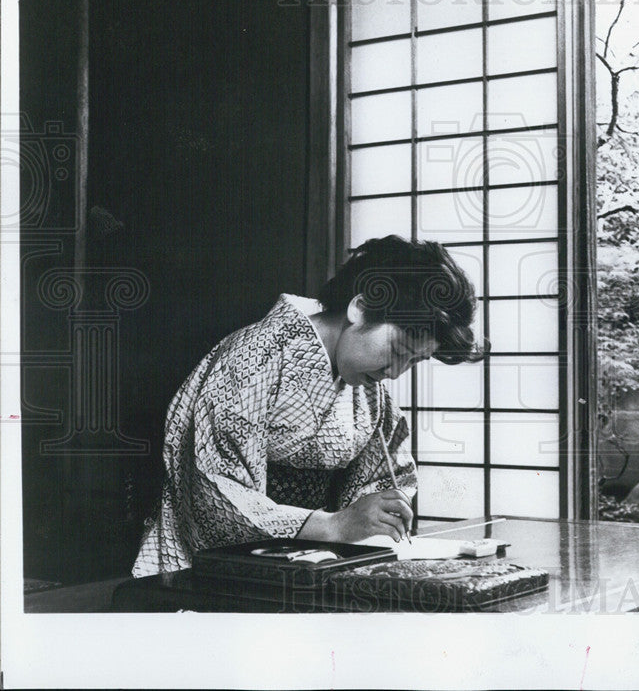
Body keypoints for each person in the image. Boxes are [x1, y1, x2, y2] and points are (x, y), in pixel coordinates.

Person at [132, 235, 482, 577]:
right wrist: (334, 525)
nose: (395, 372)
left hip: (314, 561)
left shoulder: (369, 387)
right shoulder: (252, 357)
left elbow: (384, 478)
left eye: (413, 362)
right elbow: (217, 493)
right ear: (359, 309)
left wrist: (377, 514)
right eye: (398, 352)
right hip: (212, 561)